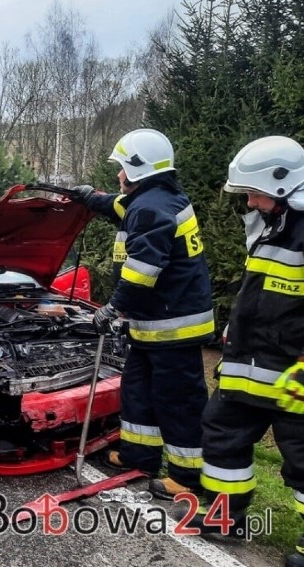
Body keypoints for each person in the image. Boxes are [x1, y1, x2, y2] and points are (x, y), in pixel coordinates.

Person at [65, 128, 214, 500]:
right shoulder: (158, 199)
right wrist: (90, 198)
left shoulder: (150, 208)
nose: (118, 175)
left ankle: (187, 474)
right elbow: (120, 207)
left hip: (172, 328)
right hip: (154, 325)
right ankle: (139, 455)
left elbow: (142, 273)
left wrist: (112, 308)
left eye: (121, 168)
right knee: (139, 391)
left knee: (178, 401)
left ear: (137, 170)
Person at [176, 136, 304, 567]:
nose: (249, 201)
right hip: (249, 362)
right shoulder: (275, 223)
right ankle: (224, 519)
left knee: (302, 456)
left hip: (294, 374)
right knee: (222, 434)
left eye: (255, 192)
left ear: (283, 184)